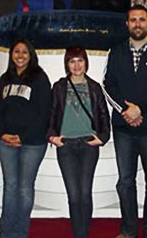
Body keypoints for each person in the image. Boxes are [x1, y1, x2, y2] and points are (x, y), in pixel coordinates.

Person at [102, 5, 147, 238]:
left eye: (142, 19)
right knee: (125, 182)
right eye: (133, 20)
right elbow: (107, 85)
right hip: (123, 129)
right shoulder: (116, 52)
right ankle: (129, 230)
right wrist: (126, 110)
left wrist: (141, 110)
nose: (138, 24)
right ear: (127, 24)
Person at [48, 47, 110, 238]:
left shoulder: (95, 87)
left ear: (86, 62)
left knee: (85, 193)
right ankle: (79, 234)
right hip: (66, 145)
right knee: (74, 196)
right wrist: (52, 137)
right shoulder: (59, 87)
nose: (76, 65)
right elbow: (50, 114)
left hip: (88, 144)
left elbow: (103, 115)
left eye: (80, 60)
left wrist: (103, 137)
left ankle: (84, 233)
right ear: (67, 64)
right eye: (72, 61)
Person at [0, 39, 52, 238]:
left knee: (25, 187)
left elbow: (44, 114)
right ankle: (7, 232)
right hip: (6, 141)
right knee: (10, 187)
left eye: (24, 52)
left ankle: (20, 232)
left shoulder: (40, 79)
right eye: (16, 51)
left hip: (32, 143)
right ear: (11, 55)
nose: (20, 55)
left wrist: (22, 137)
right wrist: (3, 134)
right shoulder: (4, 78)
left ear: (31, 55)